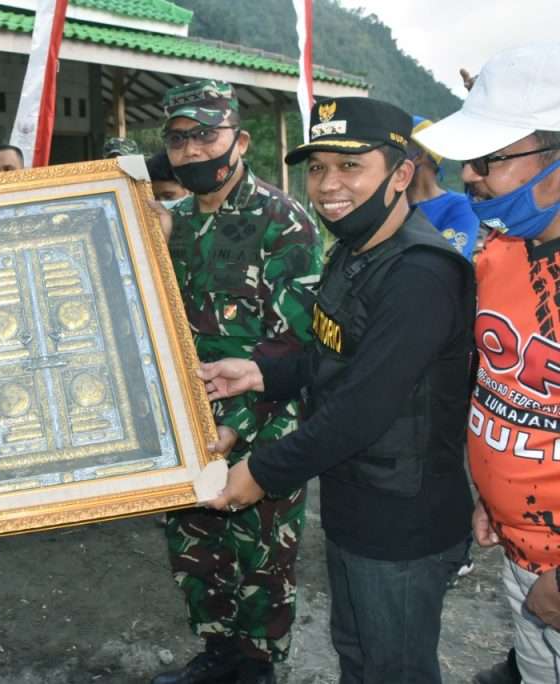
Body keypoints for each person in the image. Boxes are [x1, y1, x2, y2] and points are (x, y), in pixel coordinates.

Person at [203, 97, 475, 684]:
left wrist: (259, 472)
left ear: (401, 174)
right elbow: (332, 358)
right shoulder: (356, 249)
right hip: (358, 506)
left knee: (392, 670)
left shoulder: (420, 274)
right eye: (319, 166)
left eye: (351, 167)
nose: (329, 185)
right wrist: (259, 371)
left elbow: (361, 409)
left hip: (402, 524)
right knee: (358, 656)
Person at [149, 80, 323, 684]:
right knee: (197, 552)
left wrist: (234, 424)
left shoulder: (284, 220)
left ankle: (255, 667)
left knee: (263, 563)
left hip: (263, 428)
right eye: (178, 139)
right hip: (184, 423)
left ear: (240, 140)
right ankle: (216, 654)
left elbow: (298, 346)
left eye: (206, 134)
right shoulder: (162, 227)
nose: (193, 149)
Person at [415, 42, 560, 684]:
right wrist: (497, 500)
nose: (468, 176)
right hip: (520, 547)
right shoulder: (498, 255)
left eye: (488, 160)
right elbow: (506, 392)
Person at [408, 117, 480, 259]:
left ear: (419, 156)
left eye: (398, 147)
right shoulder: (388, 204)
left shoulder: (461, 207)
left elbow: (444, 263)